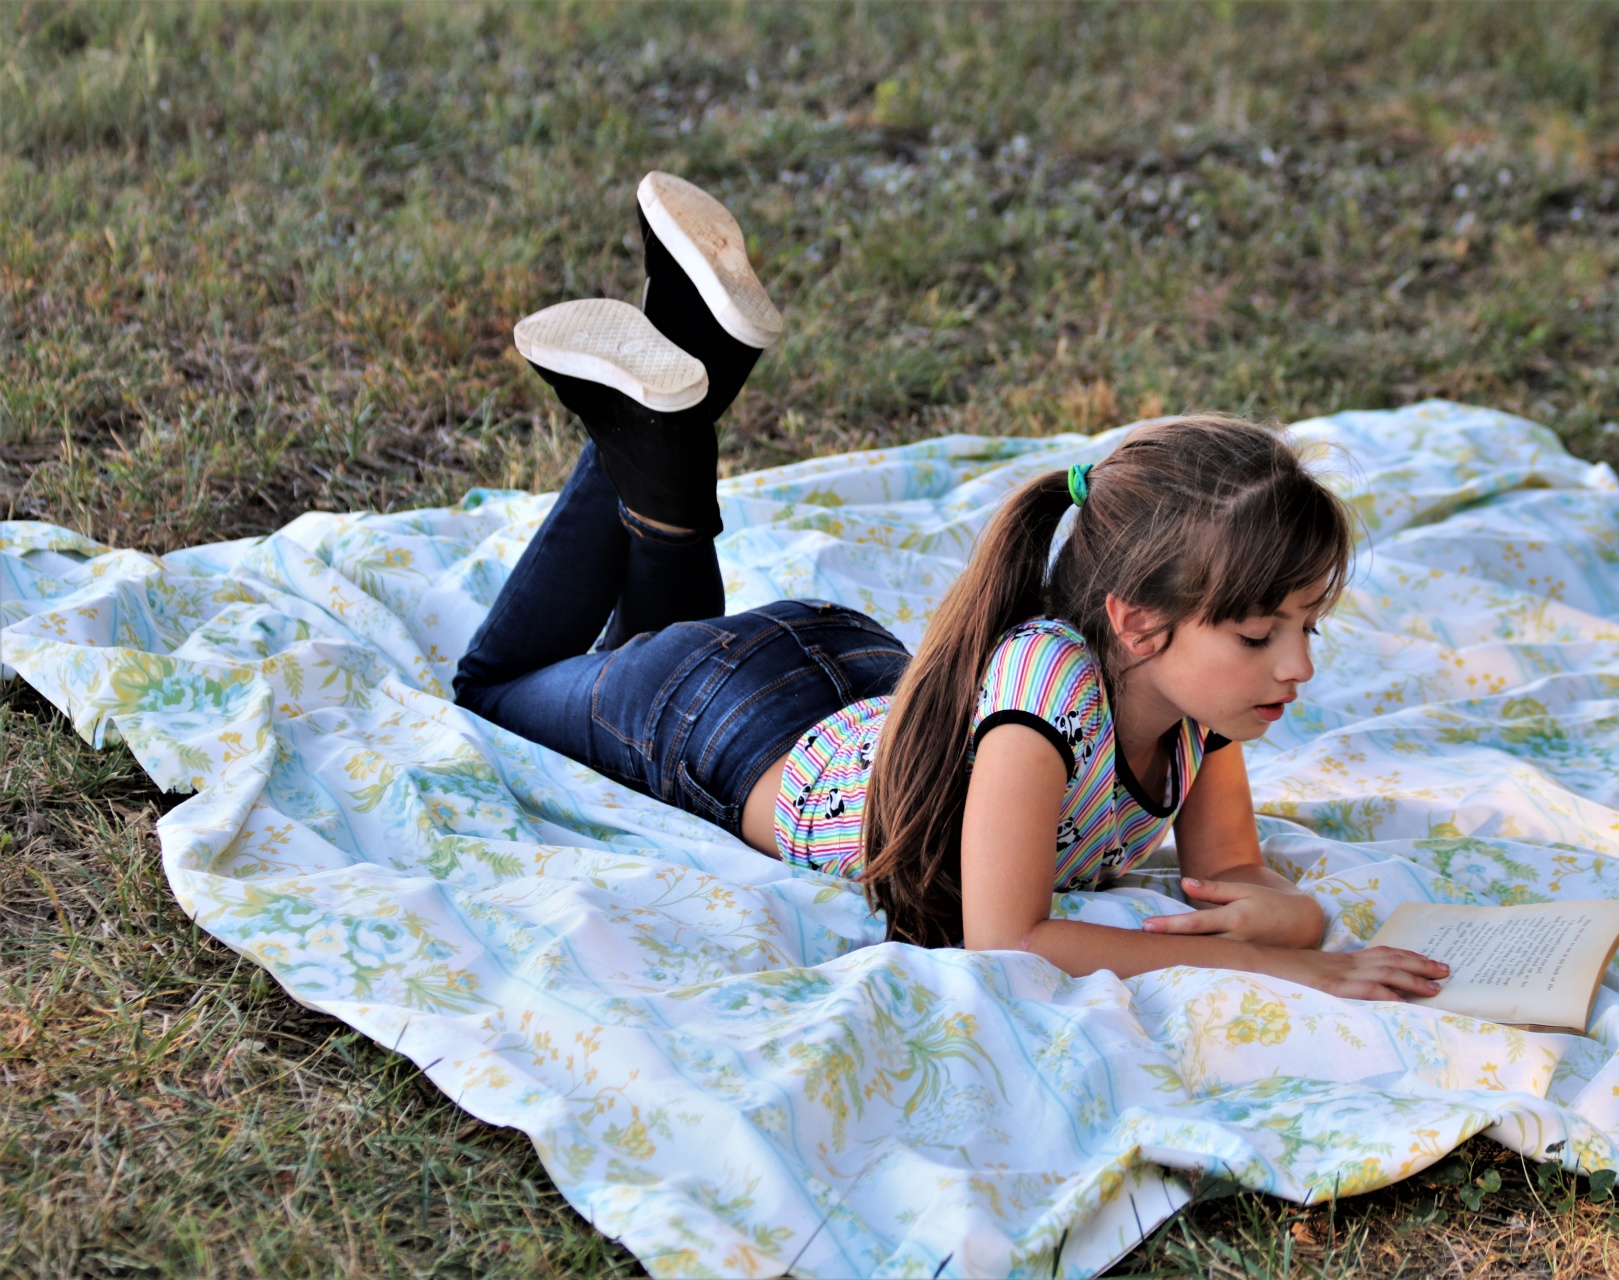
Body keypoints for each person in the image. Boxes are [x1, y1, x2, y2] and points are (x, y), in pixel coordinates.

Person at [454, 172, 1448, 1002]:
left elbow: (1229, 869)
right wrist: (1268, 963)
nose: (1298, 663)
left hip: (839, 678)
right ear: (1139, 622)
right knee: (497, 685)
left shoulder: (1197, 710)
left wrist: (1293, 914)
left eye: (1307, 625)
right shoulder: (1046, 701)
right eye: (1261, 633)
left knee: (656, 643)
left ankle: (684, 366)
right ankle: (678, 372)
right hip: (734, 720)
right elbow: (1008, 936)